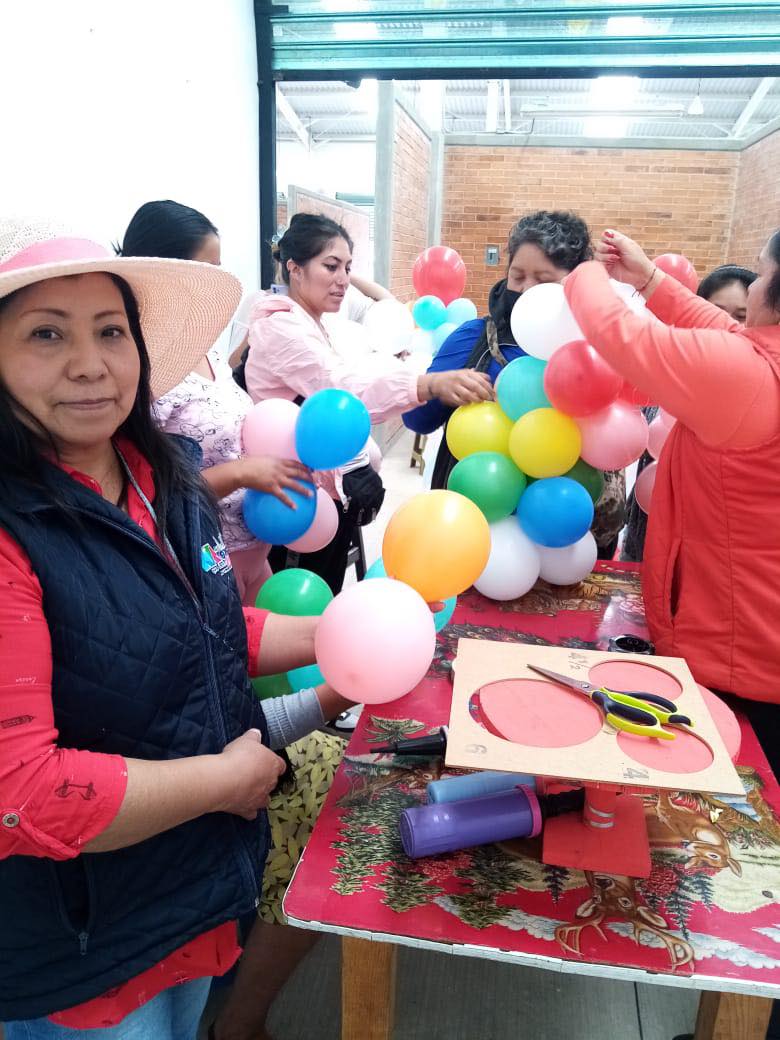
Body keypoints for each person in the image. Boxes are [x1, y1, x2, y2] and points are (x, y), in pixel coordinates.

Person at [0, 217, 354, 1038]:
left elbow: (205, 625)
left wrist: (344, 639)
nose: (89, 364)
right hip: (81, 943)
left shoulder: (164, 477)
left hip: (194, 888)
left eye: (111, 332)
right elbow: (19, 795)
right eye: (46, 335)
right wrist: (225, 783)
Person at [563, 226, 780, 780]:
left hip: (743, 651)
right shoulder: (759, 365)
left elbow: (618, 333)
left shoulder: (749, 377)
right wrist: (650, 278)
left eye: (760, 271)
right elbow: (730, 333)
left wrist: (580, 266)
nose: (750, 289)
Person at [244, 212, 493, 593]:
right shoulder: (280, 328)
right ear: (294, 268)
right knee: (296, 604)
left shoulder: (316, 323)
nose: (343, 280)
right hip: (292, 500)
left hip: (321, 491)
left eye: (347, 267)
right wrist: (425, 385)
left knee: (320, 598)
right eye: (330, 266)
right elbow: (339, 387)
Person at [119, 200, 312, 606]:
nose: (220, 281)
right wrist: (241, 473)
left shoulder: (210, 352)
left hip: (254, 555)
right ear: (164, 274)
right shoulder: (141, 372)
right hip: (200, 566)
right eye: (209, 269)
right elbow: (146, 497)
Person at [403, 209, 626, 560]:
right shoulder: (475, 337)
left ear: (574, 283)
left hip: (568, 530)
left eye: (543, 278)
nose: (525, 289)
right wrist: (435, 387)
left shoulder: (596, 351)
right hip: (480, 522)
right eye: (517, 275)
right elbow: (416, 421)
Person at [622, 262, 758, 563]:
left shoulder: (758, 393)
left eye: (740, 317)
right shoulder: (668, 379)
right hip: (647, 537)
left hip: (715, 552)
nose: (725, 324)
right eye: (715, 311)